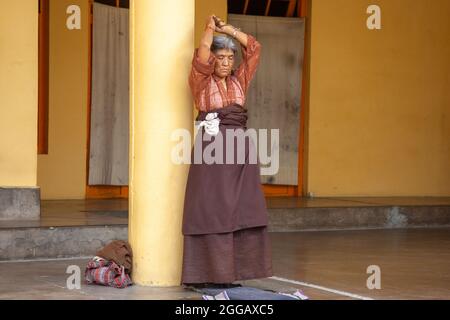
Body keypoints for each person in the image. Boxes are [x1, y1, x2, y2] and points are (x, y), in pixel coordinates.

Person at [181, 15, 273, 288]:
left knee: (239, 209)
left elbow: (254, 48)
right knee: (211, 208)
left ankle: (231, 274)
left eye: (230, 57)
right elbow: (200, 56)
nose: (225, 62)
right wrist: (210, 30)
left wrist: (228, 30)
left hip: (240, 150)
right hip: (213, 149)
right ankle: (203, 275)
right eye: (220, 57)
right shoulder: (201, 80)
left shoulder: (239, 80)